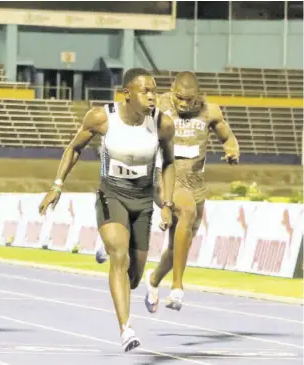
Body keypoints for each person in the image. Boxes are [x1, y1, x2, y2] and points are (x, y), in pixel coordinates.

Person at [39, 68, 176, 352]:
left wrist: (167, 204)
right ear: (127, 94)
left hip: (143, 197)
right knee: (119, 254)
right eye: (145, 91)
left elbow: (170, 163)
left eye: (154, 90)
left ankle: (110, 248)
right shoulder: (102, 117)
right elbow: (74, 148)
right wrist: (57, 185)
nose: (153, 96)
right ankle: (126, 328)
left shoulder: (163, 124)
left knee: (134, 276)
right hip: (112, 193)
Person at [144, 71, 239, 312]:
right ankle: (177, 288)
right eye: (180, 98)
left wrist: (232, 151)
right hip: (166, 178)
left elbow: (227, 137)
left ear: (198, 95)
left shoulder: (211, 110)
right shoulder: (159, 104)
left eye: (190, 99)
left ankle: (154, 279)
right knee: (185, 212)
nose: (185, 103)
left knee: (179, 246)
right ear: (172, 91)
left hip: (196, 182)